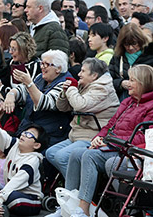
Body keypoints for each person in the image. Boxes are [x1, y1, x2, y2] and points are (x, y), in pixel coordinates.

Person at [64, 65, 153, 217]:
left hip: (128, 150)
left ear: (143, 83)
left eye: (132, 80)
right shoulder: (128, 102)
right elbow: (110, 124)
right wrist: (98, 138)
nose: (128, 83)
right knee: (77, 153)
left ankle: (83, 209)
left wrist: (110, 141)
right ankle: (67, 203)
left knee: (89, 156)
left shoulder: (150, 106)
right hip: (112, 146)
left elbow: (146, 137)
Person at [46, 57, 119, 182]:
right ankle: (78, 182)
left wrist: (72, 89)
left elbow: (80, 105)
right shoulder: (85, 84)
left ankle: (78, 190)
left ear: (94, 75)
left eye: (83, 71)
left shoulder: (102, 88)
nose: (79, 74)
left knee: (61, 157)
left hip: (92, 137)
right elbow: (62, 108)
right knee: (50, 153)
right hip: (76, 134)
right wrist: (64, 92)